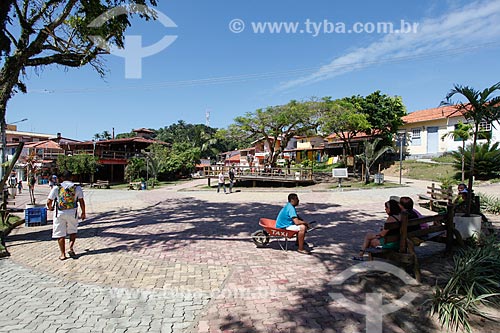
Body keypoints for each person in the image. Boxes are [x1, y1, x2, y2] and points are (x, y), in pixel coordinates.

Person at [46, 170, 86, 261]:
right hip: (72, 212)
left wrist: (50, 208)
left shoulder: (57, 188)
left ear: (62, 178)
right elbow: (81, 202)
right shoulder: (77, 188)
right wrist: (83, 212)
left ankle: (63, 254)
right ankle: (71, 248)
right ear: (71, 177)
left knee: (60, 233)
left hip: (59, 213)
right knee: (73, 230)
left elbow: (49, 201)